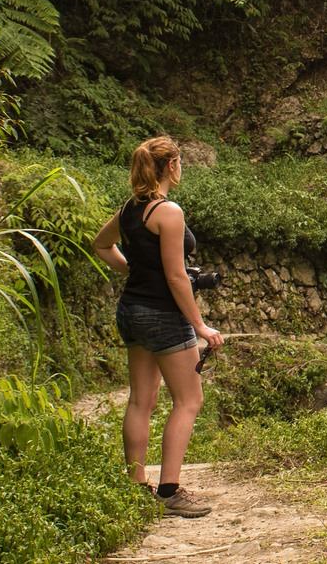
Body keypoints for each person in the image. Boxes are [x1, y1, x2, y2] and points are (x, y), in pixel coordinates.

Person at [91, 135, 224, 518]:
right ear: (171, 166)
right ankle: (169, 490)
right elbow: (177, 277)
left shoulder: (131, 210)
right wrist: (199, 325)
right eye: (179, 162)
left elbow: (101, 244)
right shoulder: (168, 212)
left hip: (131, 309)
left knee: (140, 400)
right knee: (189, 400)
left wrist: (132, 269)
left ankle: (135, 486)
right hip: (164, 316)